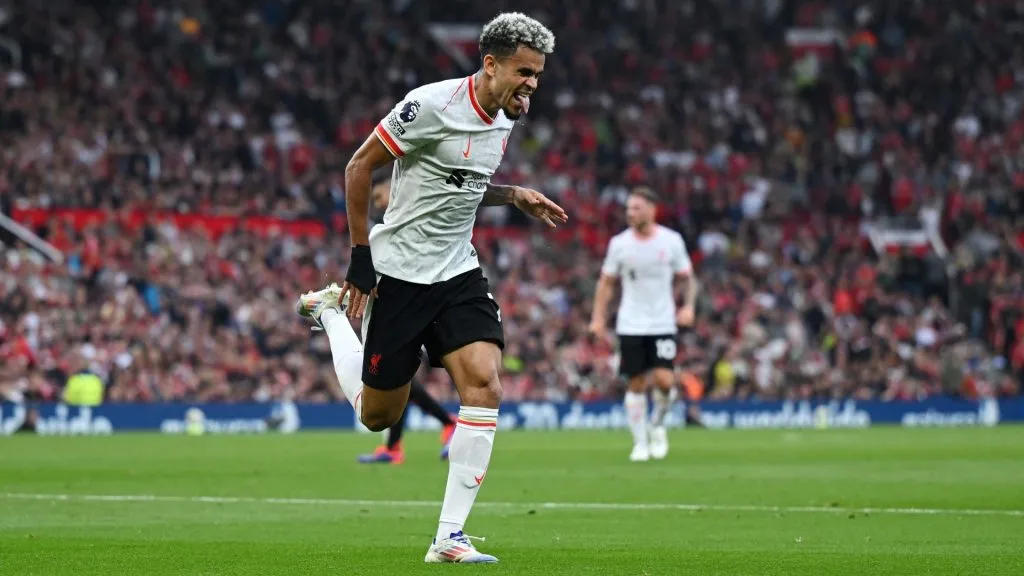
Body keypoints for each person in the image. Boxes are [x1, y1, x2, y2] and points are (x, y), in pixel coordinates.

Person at [296, 12, 566, 564]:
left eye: (538, 74)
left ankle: (449, 537)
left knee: (485, 383)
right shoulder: (430, 105)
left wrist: (512, 195)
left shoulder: (507, 114)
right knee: (379, 416)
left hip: (457, 271)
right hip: (397, 273)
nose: (532, 84)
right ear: (490, 65)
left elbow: (463, 184)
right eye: (524, 72)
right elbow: (358, 167)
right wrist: (359, 258)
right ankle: (329, 314)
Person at [589, 187, 698, 462]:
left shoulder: (671, 241)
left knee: (664, 381)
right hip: (631, 324)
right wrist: (598, 318)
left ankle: (658, 424)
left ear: (652, 209)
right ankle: (640, 442)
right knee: (636, 383)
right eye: (628, 209)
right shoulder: (620, 244)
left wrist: (688, 306)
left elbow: (688, 277)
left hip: (663, 322)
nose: (630, 213)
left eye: (636, 208)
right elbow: (606, 283)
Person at [358, 176, 457, 465]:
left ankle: (448, 422)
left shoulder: (412, 218)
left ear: (395, 185)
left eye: (378, 197)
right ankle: (395, 446)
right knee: (400, 383)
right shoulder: (390, 225)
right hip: (405, 313)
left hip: (419, 311)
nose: (376, 205)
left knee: (398, 381)